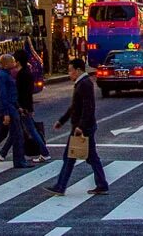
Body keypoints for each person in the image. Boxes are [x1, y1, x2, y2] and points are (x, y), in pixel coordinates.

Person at [46, 58, 108, 196]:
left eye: (71, 70)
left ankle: (60, 186)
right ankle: (101, 184)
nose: (69, 74)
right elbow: (75, 106)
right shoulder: (82, 83)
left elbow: (88, 107)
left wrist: (81, 126)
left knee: (71, 157)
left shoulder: (84, 84)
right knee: (89, 157)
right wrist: (62, 121)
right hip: (83, 127)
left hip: (82, 129)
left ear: (78, 70)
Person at [0, 49, 50, 163]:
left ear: (18, 62)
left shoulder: (22, 74)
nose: (13, 62)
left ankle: (45, 152)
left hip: (22, 107)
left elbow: (23, 94)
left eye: (15, 60)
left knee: (30, 130)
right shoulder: (26, 72)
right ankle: (3, 152)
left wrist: (23, 108)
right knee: (17, 130)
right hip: (24, 107)